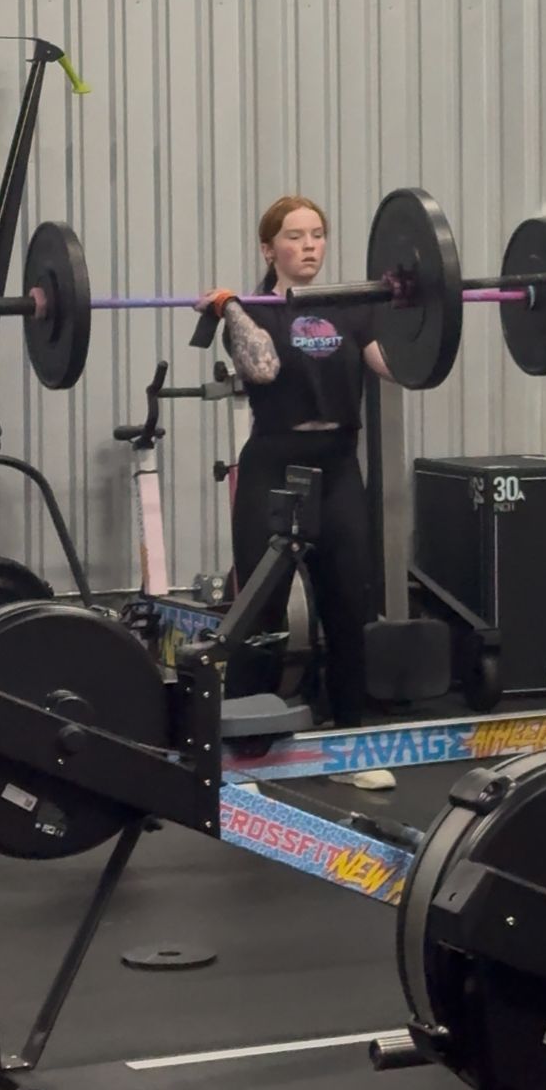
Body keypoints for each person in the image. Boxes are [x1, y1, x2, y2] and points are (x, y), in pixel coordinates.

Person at [197, 195, 390, 733]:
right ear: (269, 248)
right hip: (274, 467)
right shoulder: (252, 309)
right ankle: (246, 739)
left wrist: (424, 307)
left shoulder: (352, 306)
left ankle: (349, 732)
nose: (309, 245)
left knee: (349, 605)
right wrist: (229, 308)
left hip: (338, 467)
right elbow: (262, 369)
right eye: (294, 236)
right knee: (261, 612)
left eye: (317, 234)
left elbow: (400, 367)